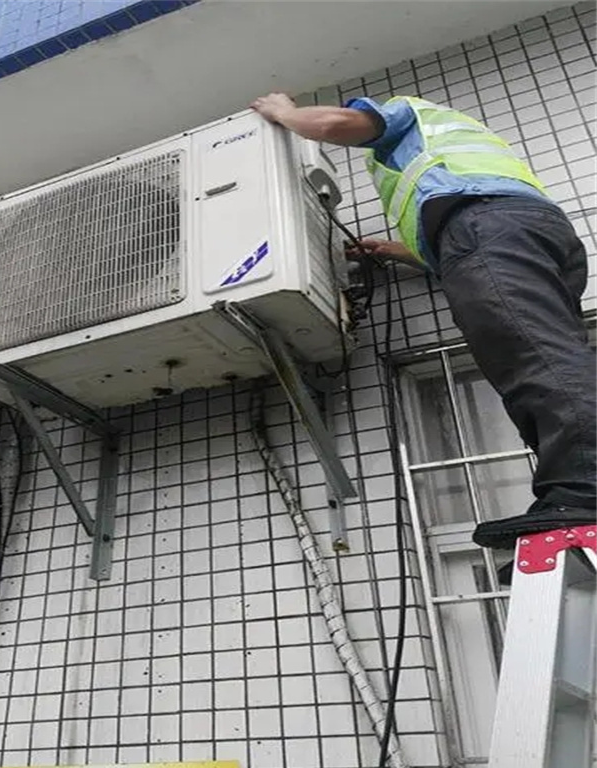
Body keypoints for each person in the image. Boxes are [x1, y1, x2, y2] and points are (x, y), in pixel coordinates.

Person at [250, 92, 596, 549]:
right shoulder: (469, 159)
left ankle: (584, 492)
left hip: (484, 225)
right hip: (524, 231)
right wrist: (403, 250)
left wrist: (284, 113)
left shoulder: (410, 112)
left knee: (533, 360)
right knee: (544, 357)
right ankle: (570, 498)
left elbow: (335, 123)